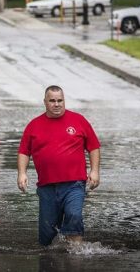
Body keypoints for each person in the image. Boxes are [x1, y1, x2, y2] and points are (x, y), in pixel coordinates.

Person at [17, 85, 100, 246]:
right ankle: (50, 259)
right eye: (52, 101)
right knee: (47, 235)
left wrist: (94, 171)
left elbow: (94, 146)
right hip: (47, 187)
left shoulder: (78, 120)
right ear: (45, 102)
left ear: (64, 101)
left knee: (74, 215)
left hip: (74, 184)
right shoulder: (34, 125)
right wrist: (22, 173)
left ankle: (75, 256)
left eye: (60, 100)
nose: (57, 104)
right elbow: (24, 152)